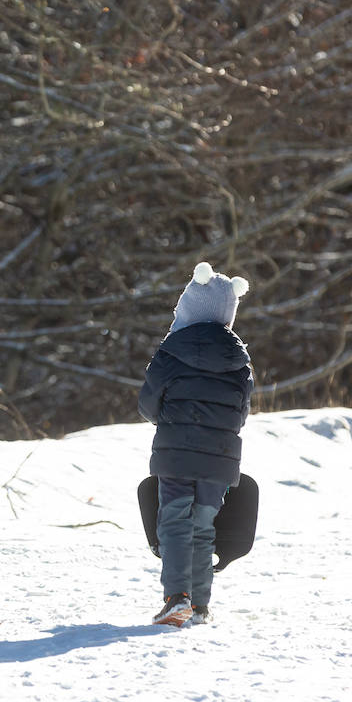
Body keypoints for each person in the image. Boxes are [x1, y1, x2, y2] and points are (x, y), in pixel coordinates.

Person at [138, 262, 254, 626]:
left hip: (176, 453)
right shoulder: (240, 360)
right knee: (204, 526)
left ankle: (177, 598)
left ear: (186, 309)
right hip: (219, 459)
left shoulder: (171, 351)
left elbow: (147, 404)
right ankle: (200, 605)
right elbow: (241, 413)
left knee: (173, 521)